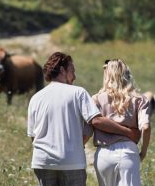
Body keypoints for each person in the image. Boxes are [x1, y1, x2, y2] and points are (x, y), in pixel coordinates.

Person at [27, 52, 140, 186]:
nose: (74, 76)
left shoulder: (36, 98)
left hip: (42, 162)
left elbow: (33, 136)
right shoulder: (77, 92)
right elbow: (96, 121)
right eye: (72, 71)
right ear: (62, 70)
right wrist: (128, 132)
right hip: (71, 162)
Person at [92, 59, 152, 186]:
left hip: (104, 153)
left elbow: (92, 123)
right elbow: (146, 128)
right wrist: (143, 152)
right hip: (128, 152)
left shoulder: (96, 99)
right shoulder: (139, 99)